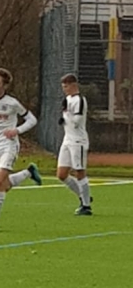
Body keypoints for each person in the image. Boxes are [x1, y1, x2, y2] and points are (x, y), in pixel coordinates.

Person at [0, 67, 42, 233]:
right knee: (3, 185)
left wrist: (17, 130)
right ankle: (28, 172)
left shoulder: (12, 103)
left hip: (9, 145)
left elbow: (32, 120)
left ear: (5, 86)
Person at [57, 73, 92, 216]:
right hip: (67, 139)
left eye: (66, 86)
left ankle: (86, 206)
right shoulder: (67, 99)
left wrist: (67, 116)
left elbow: (77, 121)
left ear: (73, 85)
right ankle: (84, 196)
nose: (64, 89)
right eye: (63, 87)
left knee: (79, 171)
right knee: (61, 174)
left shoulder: (80, 100)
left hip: (78, 140)